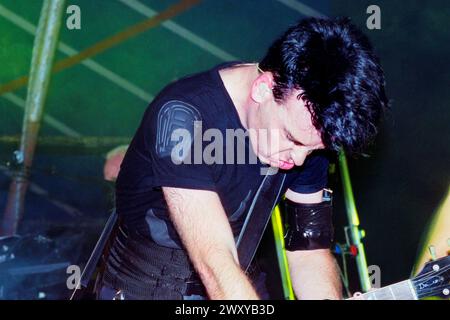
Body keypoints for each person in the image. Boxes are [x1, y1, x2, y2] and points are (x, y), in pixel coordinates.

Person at [93, 17, 388, 300]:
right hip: (149, 290)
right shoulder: (184, 117)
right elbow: (214, 259)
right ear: (263, 88)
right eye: (292, 139)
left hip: (237, 284)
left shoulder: (308, 130)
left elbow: (308, 247)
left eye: (312, 150)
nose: (299, 159)